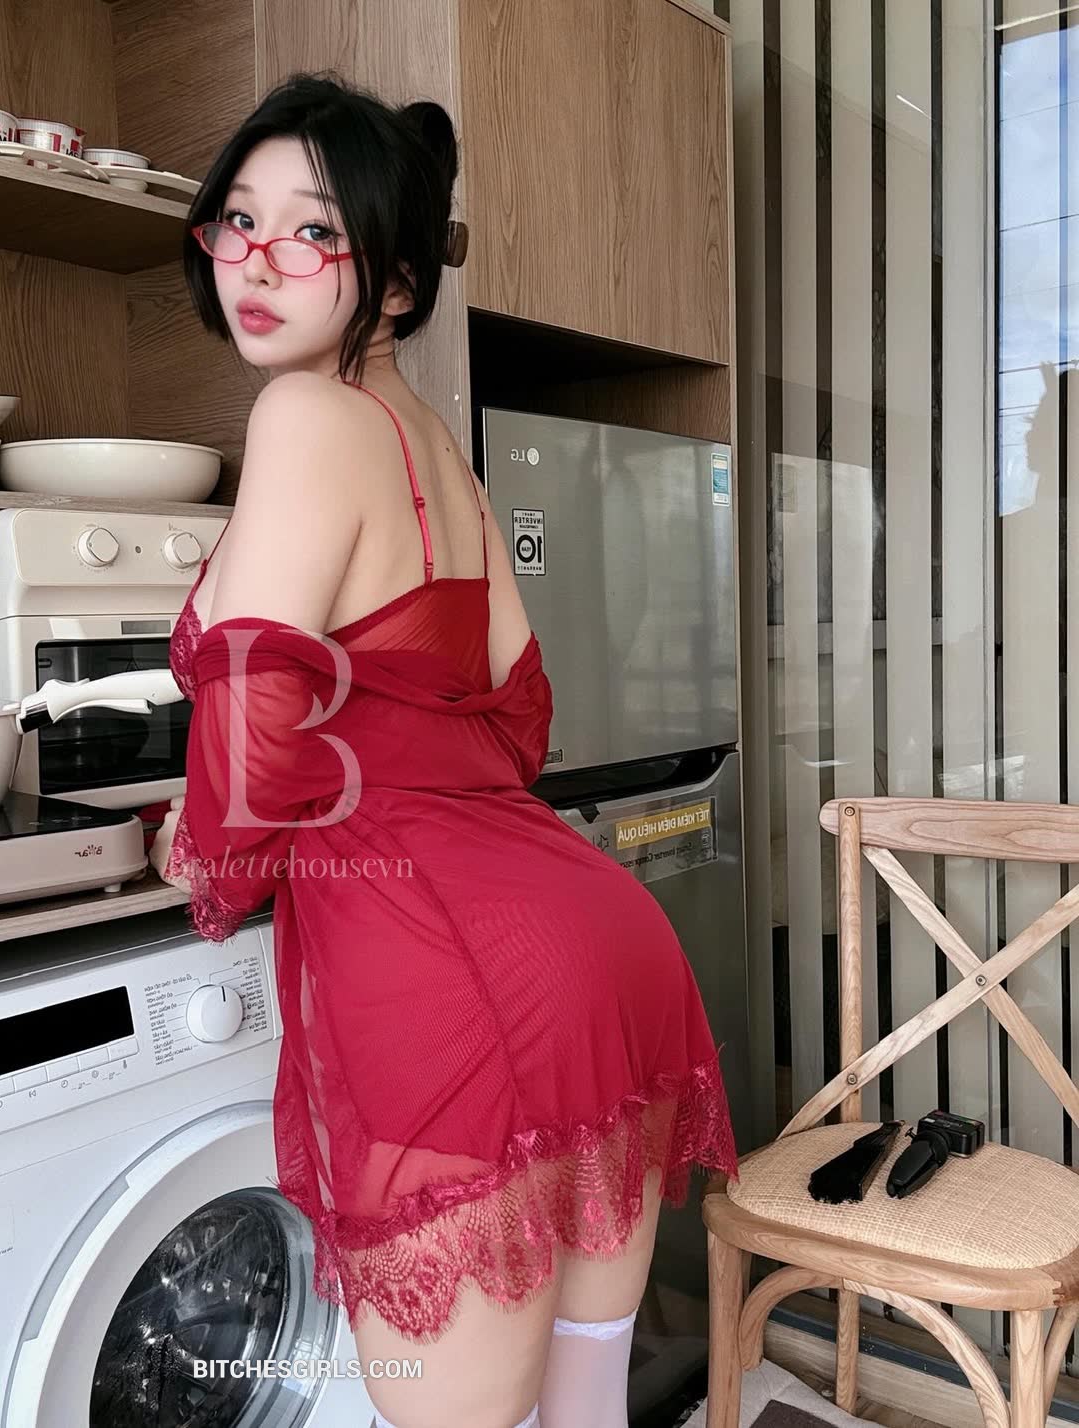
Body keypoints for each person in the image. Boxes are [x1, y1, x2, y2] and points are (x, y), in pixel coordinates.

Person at [149, 71, 738, 1428]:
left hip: (444, 978)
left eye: (315, 230)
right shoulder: (446, 462)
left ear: (399, 283)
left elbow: (255, 733)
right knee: (583, 1405)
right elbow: (519, 722)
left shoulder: (304, 415)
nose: (260, 259)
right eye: (238, 219)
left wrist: (204, 858)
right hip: (598, 947)